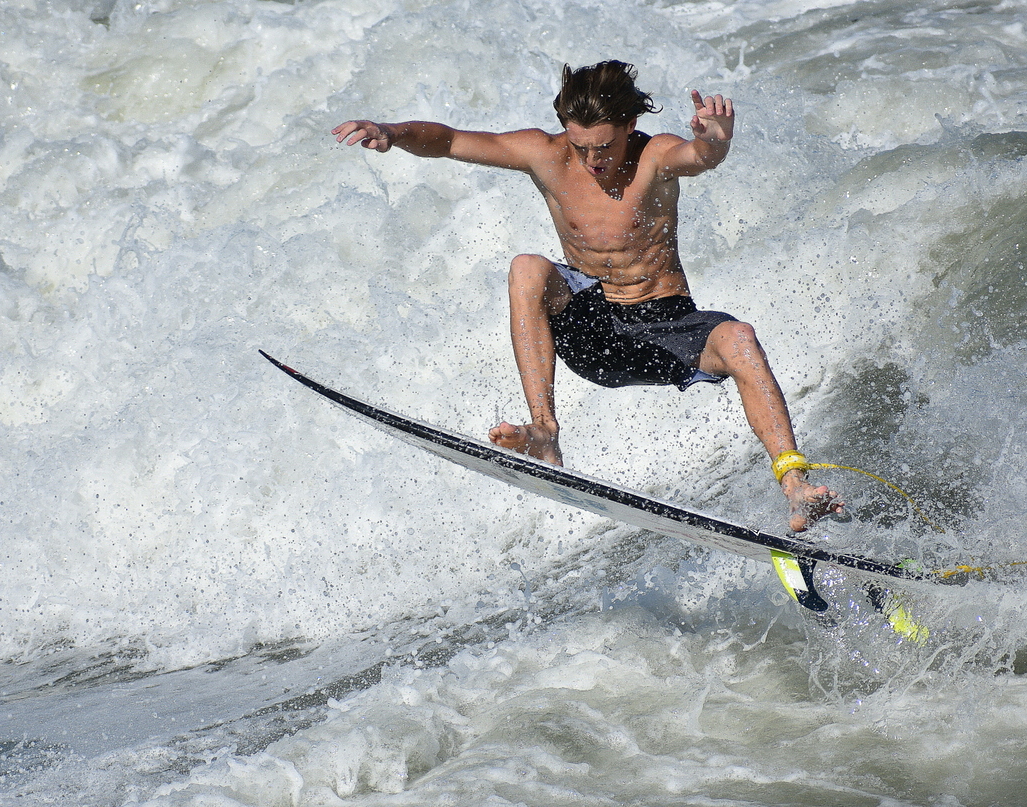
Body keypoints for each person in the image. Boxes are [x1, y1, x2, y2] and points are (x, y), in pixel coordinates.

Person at [331, 60, 841, 532]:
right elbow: (448, 140)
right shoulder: (546, 155)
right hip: (593, 329)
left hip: (665, 327)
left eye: (605, 146)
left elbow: (699, 156)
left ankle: (796, 487)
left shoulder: (654, 156)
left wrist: (716, 142)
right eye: (582, 147)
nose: (594, 159)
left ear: (628, 126)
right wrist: (392, 133)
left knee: (740, 337)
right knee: (528, 268)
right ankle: (545, 432)